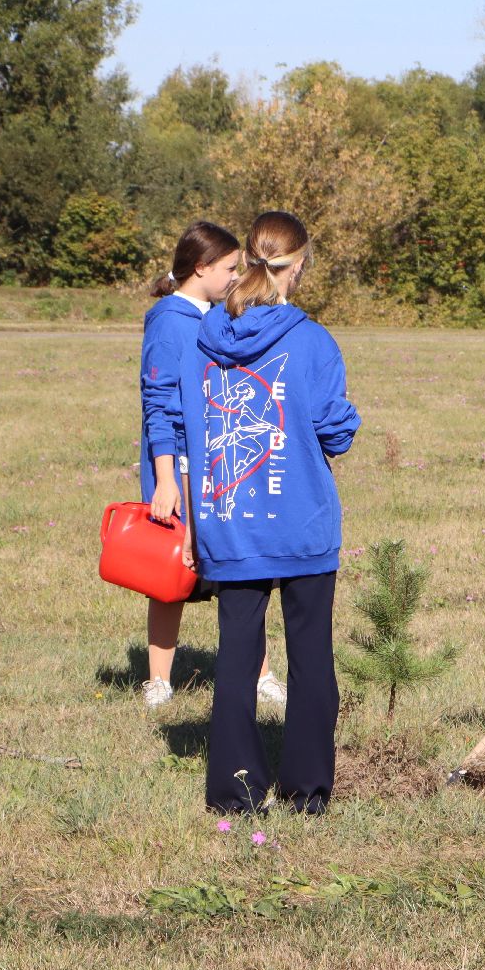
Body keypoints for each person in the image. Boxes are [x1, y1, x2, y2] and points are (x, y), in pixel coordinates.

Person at [173, 211, 359, 814]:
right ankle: (306, 792)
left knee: (235, 659)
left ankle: (234, 793)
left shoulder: (201, 340)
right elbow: (335, 432)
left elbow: (186, 424)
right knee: (310, 658)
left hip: (229, 519)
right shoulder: (312, 339)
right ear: (297, 265)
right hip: (302, 519)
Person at [137, 222, 286, 709]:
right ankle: (159, 680)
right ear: (199, 268)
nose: (236, 276)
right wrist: (166, 479)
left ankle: (260, 674)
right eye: (228, 268)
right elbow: (159, 404)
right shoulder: (169, 321)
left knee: (240, 567)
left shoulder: (214, 316)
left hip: (220, 461)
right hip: (178, 469)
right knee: (170, 576)